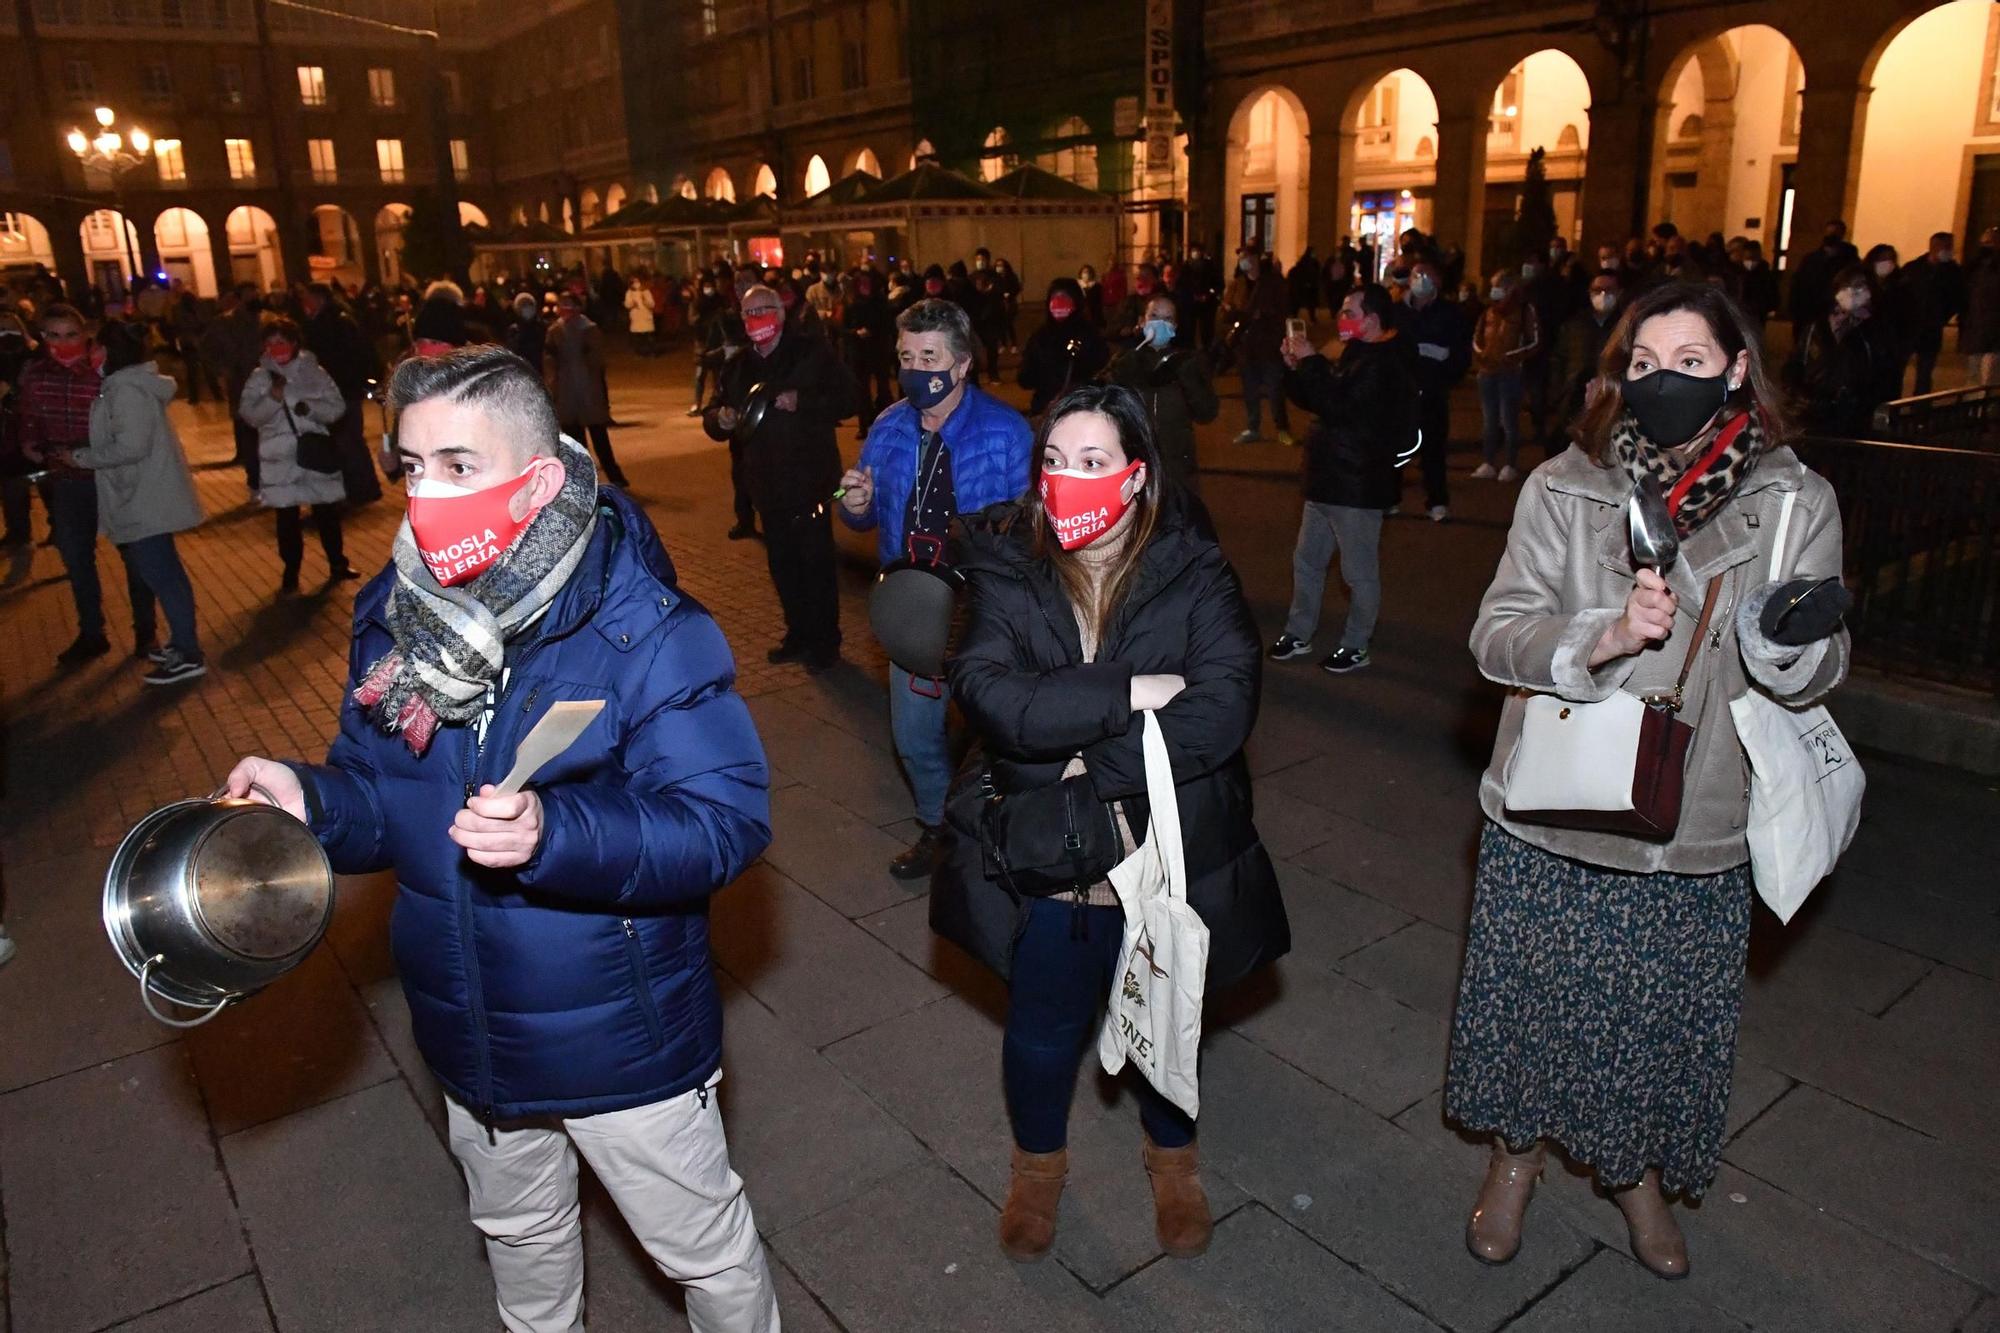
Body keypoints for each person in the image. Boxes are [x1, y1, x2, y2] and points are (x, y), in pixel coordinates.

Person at [223, 345, 780, 1333]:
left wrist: (555, 832)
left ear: (541, 482)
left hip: (619, 1039)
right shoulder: (395, 617)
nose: (424, 496)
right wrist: (308, 801)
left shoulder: (646, 630)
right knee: (519, 1240)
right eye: (409, 467)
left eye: (459, 467)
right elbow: (377, 796)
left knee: (703, 1252)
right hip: (470, 1034)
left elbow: (723, 824)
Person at [1447, 280, 1850, 1281]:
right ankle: (1515, 1156)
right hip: (1556, 802)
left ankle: (1635, 1176)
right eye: (1643, 363)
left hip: (1691, 814)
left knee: (1652, 1020)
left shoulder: (1794, 498)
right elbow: (1494, 632)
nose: (1662, 379)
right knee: (1532, 1001)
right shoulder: (1564, 485)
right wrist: (1603, 635)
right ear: (1615, 373)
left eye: (1689, 361)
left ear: (1737, 370)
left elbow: (1817, 667)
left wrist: (1786, 644)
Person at [932, 381, 1289, 1266]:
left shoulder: (1194, 570)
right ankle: (1037, 1170)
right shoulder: (1005, 561)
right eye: (1053, 461)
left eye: (1093, 462)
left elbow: (1224, 707)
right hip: (1051, 870)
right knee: (1044, 1033)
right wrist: (1125, 694)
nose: (1068, 480)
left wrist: (1084, 761)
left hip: (1157, 854)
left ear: (1135, 477)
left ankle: (1175, 1165)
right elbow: (987, 696)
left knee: (1169, 1020)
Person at [836, 298, 1033, 878]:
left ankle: (996, 833)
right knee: (915, 735)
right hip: (914, 609)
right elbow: (860, 514)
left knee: (997, 736)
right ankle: (937, 829)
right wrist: (854, 505)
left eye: (930, 356)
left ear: (964, 363)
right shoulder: (888, 425)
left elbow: (1032, 529)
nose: (917, 368)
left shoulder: (1005, 431)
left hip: (985, 609)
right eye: (906, 356)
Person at [703, 284, 857, 672]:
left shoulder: (811, 353)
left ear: (782, 313)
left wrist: (802, 402)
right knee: (783, 565)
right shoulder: (737, 366)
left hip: (810, 481)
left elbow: (850, 399)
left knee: (816, 563)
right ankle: (798, 633)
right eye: (748, 313)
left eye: (763, 310)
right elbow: (715, 413)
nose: (756, 320)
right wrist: (718, 419)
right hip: (766, 485)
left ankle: (825, 641)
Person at [1268, 284, 1414, 674]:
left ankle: (1356, 644)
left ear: (1372, 320)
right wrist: (1296, 368)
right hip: (1327, 480)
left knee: (1358, 573)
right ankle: (1299, 632)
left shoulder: (1386, 363)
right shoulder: (1355, 352)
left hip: (1357, 487)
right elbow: (1318, 398)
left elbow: (1340, 405)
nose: (1341, 317)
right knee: (1307, 562)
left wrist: (1312, 362)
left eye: (1350, 311)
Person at [70, 320, 206, 685]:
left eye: (96, 346)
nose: (90, 353)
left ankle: (189, 652)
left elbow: (131, 446)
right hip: (144, 493)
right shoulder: (123, 386)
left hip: (145, 496)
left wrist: (81, 458)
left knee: (161, 574)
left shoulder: (126, 390)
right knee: (164, 573)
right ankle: (183, 643)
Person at [18, 304, 148, 665]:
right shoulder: (36, 375)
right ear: (42, 337)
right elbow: (29, 417)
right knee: (77, 560)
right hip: (67, 482)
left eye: (70, 334)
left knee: (135, 556)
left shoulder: (101, 373)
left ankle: (146, 633)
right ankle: (92, 633)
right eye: (52, 335)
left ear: (85, 334)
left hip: (109, 478)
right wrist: (30, 442)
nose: (62, 343)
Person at [240, 318, 357, 594]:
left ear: (294, 343)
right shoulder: (259, 378)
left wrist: (311, 408)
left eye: (281, 342)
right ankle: (291, 571)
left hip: (314, 451)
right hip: (280, 458)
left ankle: (337, 563)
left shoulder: (314, 371)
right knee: (287, 519)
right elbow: (249, 415)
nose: (276, 348)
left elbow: (336, 406)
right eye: (270, 344)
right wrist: (272, 398)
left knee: (326, 511)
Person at [1106, 295, 1219, 491]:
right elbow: (1106, 410)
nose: (1160, 323)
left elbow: (1207, 413)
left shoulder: (1187, 361)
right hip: (1135, 461)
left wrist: (1190, 380)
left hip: (1177, 463)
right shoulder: (1126, 361)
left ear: (1174, 326)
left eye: (1167, 319)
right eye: (1154, 316)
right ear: (1142, 322)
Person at [1785, 264, 1902, 437]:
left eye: (1860, 286)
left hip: (1856, 417)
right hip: (1813, 413)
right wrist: (1800, 394)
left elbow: (1887, 373)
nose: (1853, 292)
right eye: (1847, 286)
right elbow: (1795, 365)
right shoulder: (1817, 327)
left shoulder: (1876, 329)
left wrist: (1869, 404)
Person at [1399, 260, 1472, 521]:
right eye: (1417, 275)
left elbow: (1461, 353)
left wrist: (1444, 369)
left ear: (1438, 282)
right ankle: (1389, 497)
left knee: (1433, 449)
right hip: (1402, 390)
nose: (1421, 280)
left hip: (1433, 390)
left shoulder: (1449, 314)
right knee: (1396, 447)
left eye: (1427, 276)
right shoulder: (1399, 312)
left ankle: (1437, 501)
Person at [302, 282, 385, 506]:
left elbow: (349, 358)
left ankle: (359, 490)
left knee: (347, 441)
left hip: (341, 390)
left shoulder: (333, 323)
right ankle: (362, 488)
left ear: (319, 299)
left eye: (308, 299)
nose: (304, 304)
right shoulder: (335, 320)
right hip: (341, 389)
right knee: (349, 440)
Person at [546, 291, 629, 488]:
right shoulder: (555, 331)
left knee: (600, 437)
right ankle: (583, 480)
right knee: (575, 441)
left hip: (588, 390)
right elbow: (549, 361)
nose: (565, 309)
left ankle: (614, 475)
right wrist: (553, 386)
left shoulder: (589, 329)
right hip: (567, 391)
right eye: (562, 304)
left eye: (569, 304)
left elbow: (598, 362)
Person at [1470, 270, 1540, 481]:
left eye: (1499, 285)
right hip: (1487, 372)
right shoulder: (1488, 312)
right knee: (1489, 420)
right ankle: (1489, 462)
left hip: (1510, 373)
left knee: (1508, 420)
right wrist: (1482, 356)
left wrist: (1509, 357)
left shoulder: (1524, 310)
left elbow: (1534, 341)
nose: (1495, 290)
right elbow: (1477, 337)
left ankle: (1510, 464)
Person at [1547, 269, 1624, 448]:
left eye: (1609, 290)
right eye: (1597, 290)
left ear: (1620, 293)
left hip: (1612, 401)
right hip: (1574, 399)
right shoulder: (1575, 324)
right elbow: (1559, 359)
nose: (1603, 295)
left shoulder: (1627, 326)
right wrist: (1558, 392)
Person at [1018, 278, 1109, 416]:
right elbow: (1025, 379)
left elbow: (1100, 370)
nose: (1059, 302)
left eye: (1065, 297)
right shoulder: (1040, 337)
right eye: (1055, 297)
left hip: (1081, 408)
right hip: (1046, 408)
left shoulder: (1089, 335)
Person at [1891, 232, 1967, 396]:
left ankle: (1919, 412)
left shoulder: (1953, 272)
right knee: (1897, 369)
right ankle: (1893, 405)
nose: (1949, 250)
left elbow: (1958, 298)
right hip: (1909, 328)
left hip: (1932, 329)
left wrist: (1942, 316)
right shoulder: (1914, 268)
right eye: (1945, 246)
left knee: (1924, 374)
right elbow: (1899, 294)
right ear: (1934, 247)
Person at [843, 268, 897, 433]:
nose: (865, 287)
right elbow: (843, 327)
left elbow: (887, 324)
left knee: (883, 386)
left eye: (868, 284)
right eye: (862, 284)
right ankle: (863, 424)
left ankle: (886, 421)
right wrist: (855, 332)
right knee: (861, 388)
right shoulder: (850, 303)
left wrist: (873, 331)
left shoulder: (879, 303)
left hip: (877, 348)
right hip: (858, 350)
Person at [1787, 219, 1861, 339]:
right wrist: (1795, 309)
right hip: (1809, 313)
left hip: (1834, 313)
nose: (1830, 236)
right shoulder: (1811, 260)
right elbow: (1798, 284)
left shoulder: (1850, 262)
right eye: (1828, 232)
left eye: (1835, 233)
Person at [1967, 227, 2000, 387]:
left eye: (1991, 242)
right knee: (1973, 379)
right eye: (1985, 243)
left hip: (1993, 337)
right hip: (1976, 333)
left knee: (1989, 380)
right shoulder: (1976, 267)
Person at [503, 291, 546, 378]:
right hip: (523, 371)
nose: (527, 308)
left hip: (541, 369)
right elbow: (513, 350)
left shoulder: (542, 326)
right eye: (523, 305)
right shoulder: (514, 329)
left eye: (529, 304)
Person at [626, 276, 658, 357]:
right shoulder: (629, 293)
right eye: (634, 282)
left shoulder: (646, 292)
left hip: (646, 316)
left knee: (649, 335)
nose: (636, 284)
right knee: (638, 336)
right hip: (636, 317)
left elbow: (652, 304)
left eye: (637, 281)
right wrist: (632, 303)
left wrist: (645, 300)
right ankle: (640, 352)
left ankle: (652, 352)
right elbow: (627, 304)